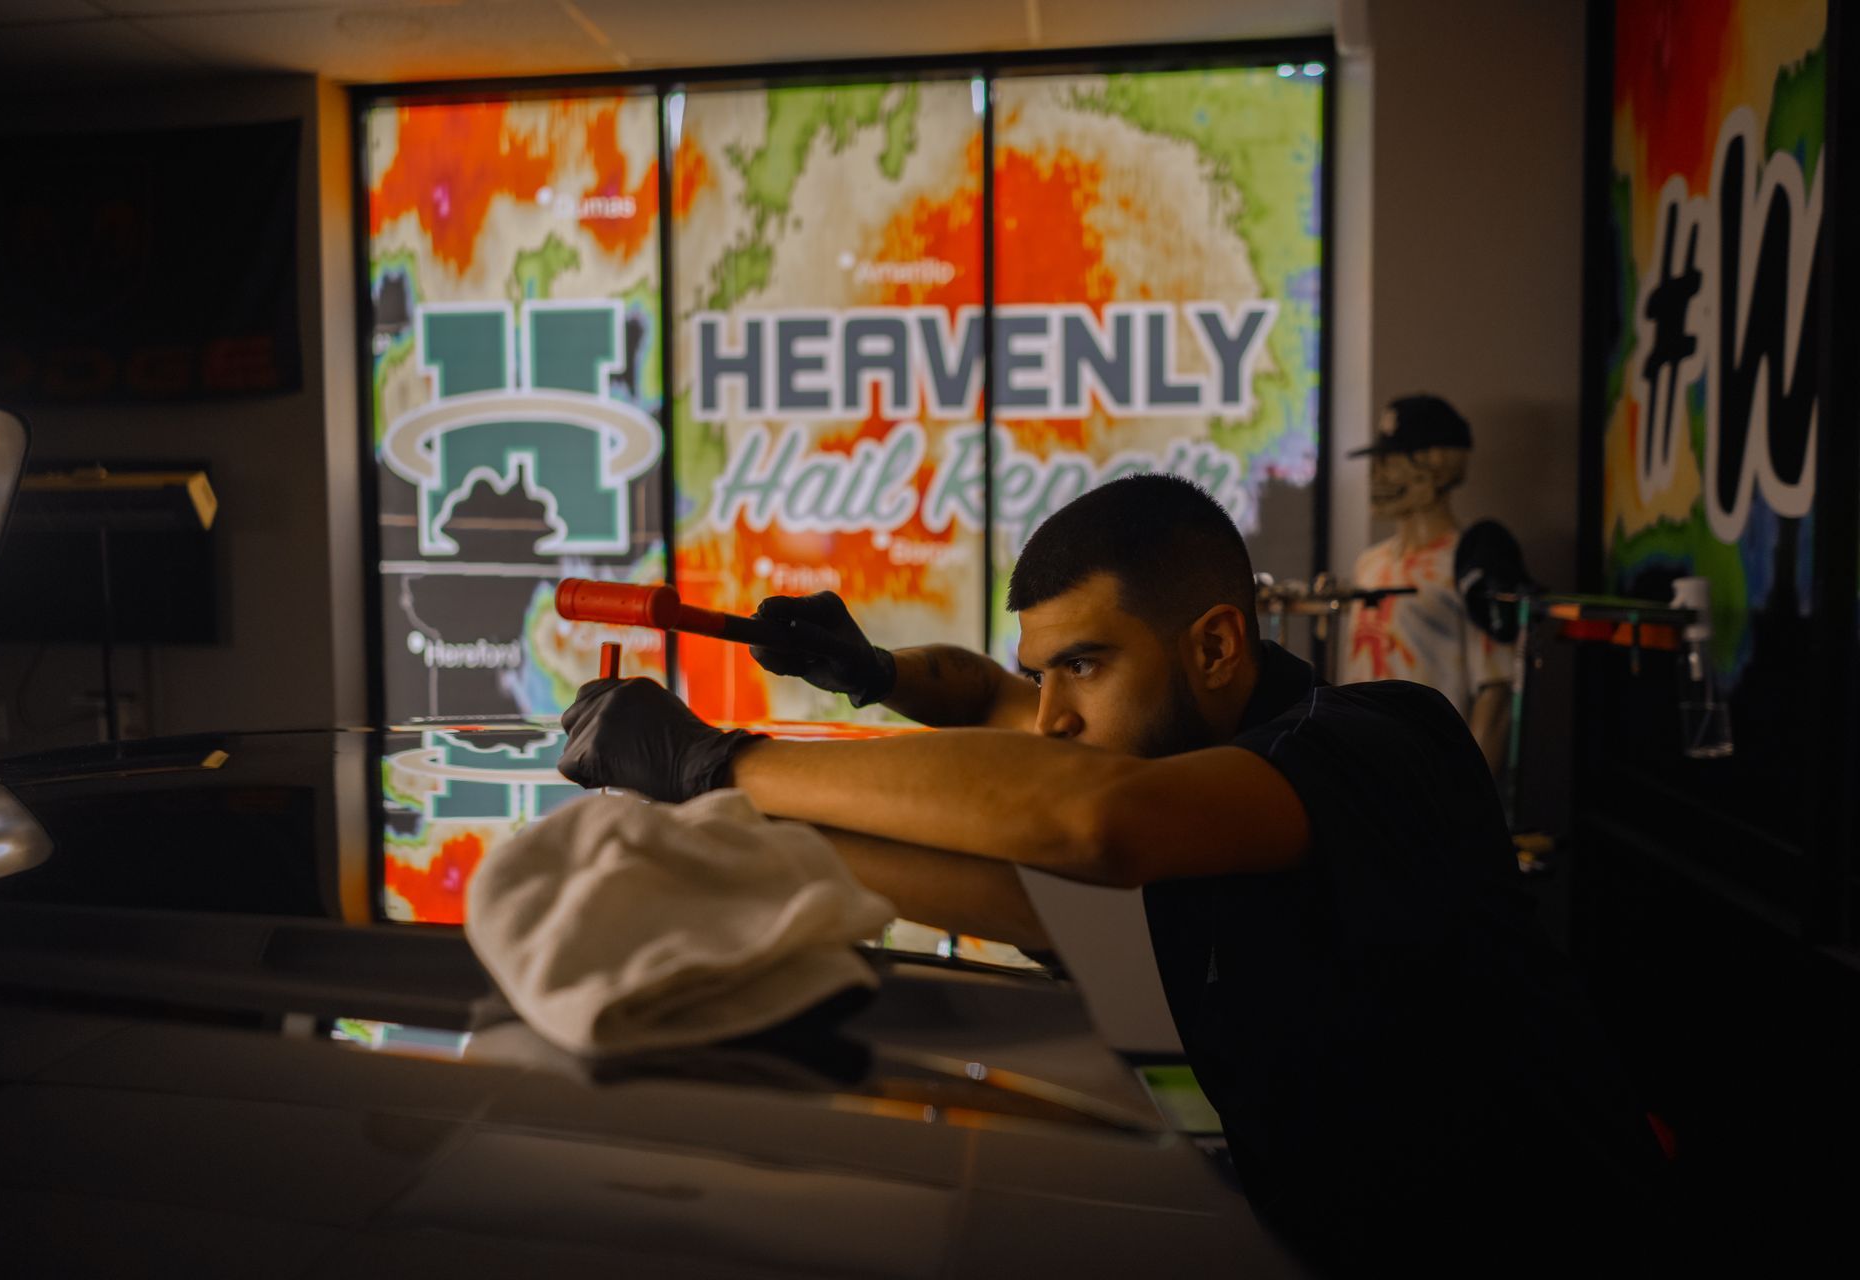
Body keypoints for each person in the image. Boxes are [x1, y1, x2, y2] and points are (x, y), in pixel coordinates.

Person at [557, 474, 1669, 1273]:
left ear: (1216, 647)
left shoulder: (1375, 741)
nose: (1049, 715)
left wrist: (721, 763)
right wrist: (863, 673)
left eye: (1083, 665)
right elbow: (986, 720)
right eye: (1044, 671)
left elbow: (1094, 823)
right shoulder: (1167, 765)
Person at [1343, 394, 1516, 776]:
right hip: (1359, 766)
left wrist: (1468, 793)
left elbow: (1496, 691)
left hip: (1431, 772)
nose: (1376, 474)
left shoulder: (1469, 563)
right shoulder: (1369, 564)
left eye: (1393, 461)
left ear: (1437, 465)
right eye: (1378, 460)